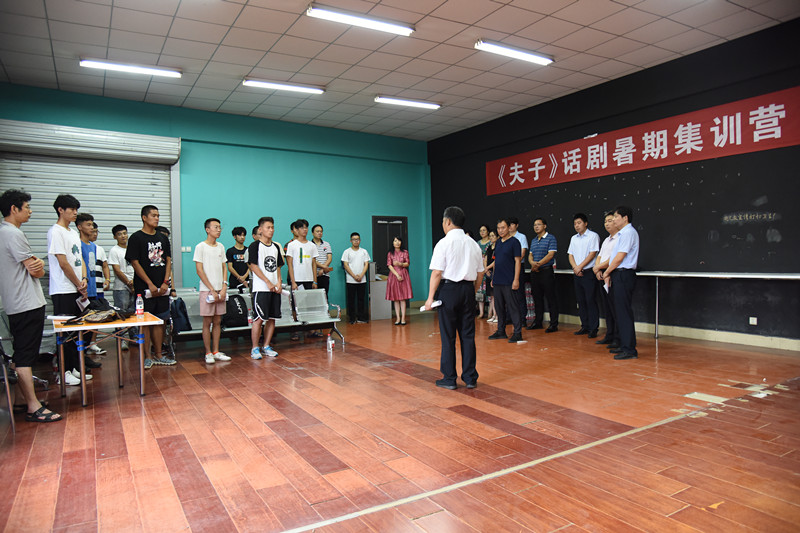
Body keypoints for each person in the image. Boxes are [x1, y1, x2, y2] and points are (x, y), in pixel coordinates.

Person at [0, 189, 62, 422]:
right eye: (26, 207)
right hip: (26, 302)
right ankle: (33, 407)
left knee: (20, 353)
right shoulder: (13, 233)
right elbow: (36, 269)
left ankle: (20, 400)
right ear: (13, 209)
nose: (30, 211)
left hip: (16, 302)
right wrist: (38, 264)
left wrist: (37, 263)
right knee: (26, 355)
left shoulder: (3, 232)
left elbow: (35, 265)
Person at [425, 206, 484, 390]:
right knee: (468, 335)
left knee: (448, 336)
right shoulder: (473, 244)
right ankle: (470, 378)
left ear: (448, 221)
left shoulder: (443, 243)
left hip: (449, 290)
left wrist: (430, 298)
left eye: (443, 221)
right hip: (468, 290)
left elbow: (437, 273)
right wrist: (472, 290)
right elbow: (480, 273)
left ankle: (449, 378)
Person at [47, 193, 91, 385]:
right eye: (72, 209)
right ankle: (63, 373)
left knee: (76, 332)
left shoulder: (73, 232)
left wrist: (83, 279)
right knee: (64, 333)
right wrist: (77, 283)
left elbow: (79, 259)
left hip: (76, 288)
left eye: (76, 210)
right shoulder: (55, 232)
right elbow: (63, 263)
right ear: (60, 210)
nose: (75, 213)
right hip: (63, 289)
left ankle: (74, 369)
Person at [126, 205, 176, 368]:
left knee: (160, 321)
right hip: (144, 289)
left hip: (162, 288)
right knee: (145, 322)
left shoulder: (162, 238)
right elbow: (135, 262)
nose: (157, 218)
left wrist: (165, 282)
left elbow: (168, 260)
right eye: (153, 215)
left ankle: (159, 354)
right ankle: (147, 356)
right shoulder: (136, 238)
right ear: (144, 217)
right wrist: (149, 283)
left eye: (158, 215)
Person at [602, 206, 640, 360]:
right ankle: (624, 345)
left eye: (616, 217)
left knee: (624, 312)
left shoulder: (628, 232)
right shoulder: (622, 234)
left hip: (624, 274)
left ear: (625, 218)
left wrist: (607, 272)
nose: (614, 220)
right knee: (619, 312)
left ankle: (629, 349)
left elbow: (619, 257)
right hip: (618, 274)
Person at [194, 218, 232, 364]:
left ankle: (216, 351)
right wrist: (211, 289)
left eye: (220, 227)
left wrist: (224, 286)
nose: (219, 230)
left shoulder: (220, 246)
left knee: (218, 321)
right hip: (207, 290)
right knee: (207, 322)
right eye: (216, 227)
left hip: (220, 289)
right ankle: (208, 352)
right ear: (207, 229)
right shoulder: (200, 247)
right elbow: (199, 270)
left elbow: (224, 267)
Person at [248, 216, 283, 359]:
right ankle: (255, 348)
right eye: (268, 227)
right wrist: (267, 282)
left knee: (272, 318)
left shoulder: (275, 247)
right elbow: (253, 266)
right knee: (259, 319)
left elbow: (278, 267)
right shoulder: (255, 246)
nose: (271, 230)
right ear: (260, 229)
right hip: (261, 289)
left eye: (272, 227)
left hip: (274, 289)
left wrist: (279, 282)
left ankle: (266, 346)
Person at [76, 213, 107, 358]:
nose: (91, 228)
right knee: (81, 325)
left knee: (93, 322)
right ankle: (79, 356)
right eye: (88, 225)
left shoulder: (94, 246)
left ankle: (88, 351)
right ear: (79, 227)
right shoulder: (77, 244)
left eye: (92, 225)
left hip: (95, 290)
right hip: (83, 291)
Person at [489, 218, 523, 343]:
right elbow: (496, 261)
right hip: (498, 280)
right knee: (499, 307)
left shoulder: (515, 242)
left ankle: (517, 332)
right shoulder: (498, 242)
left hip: (509, 280)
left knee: (513, 307)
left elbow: (517, 261)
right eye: (498, 228)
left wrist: (516, 279)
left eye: (503, 228)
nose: (501, 230)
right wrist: (493, 278)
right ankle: (501, 331)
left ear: (509, 228)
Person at [568, 213, 600, 338]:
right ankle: (584, 326)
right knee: (580, 300)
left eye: (579, 223)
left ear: (585, 223)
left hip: (589, 272)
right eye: (575, 223)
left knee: (590, 300)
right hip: (577, 272)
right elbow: (570, 254)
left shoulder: (593, 236)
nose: (577, 225)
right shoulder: (573, 238)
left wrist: (580, 267)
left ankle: (593, 328)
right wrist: (575, 268)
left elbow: (592, 254)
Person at [286, 219, 319, 340]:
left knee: (308, 305)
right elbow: (289, 264)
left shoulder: (312, 245)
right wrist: (293, 281)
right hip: (297, 280)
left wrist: (315, 280)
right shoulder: (292, 245)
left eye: (306, 227)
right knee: (295, 305)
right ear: (296, 230)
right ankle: (294, 330)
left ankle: (309, 328)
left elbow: (314, 264)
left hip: (309, 279)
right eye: (302, 227)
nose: (304, 230)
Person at [527, 217, 559, 332]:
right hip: (535, 272)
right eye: (535, 225)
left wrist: (538, 264)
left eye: (539, 224)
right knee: (537, 298)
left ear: (544, 226)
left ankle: (553, 324)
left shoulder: (551, 238)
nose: (536, 227)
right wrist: (532, 263)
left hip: (546, 271)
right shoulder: (534, 240)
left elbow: (550, 254)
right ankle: (538, 322)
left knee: (551, 298)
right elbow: (530, 255)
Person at [593, 212, 620, 347]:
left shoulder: (620, 238)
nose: (607, 224)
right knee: (607, 308)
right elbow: (599, 256)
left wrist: (598, 267)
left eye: (610, 220)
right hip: (603, 274)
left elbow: (613, 259)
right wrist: (598, 269)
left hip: (613, 274)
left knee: (615, 308)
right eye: (605, 222)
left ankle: (617, 337)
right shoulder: (606, 240)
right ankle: (609, 335)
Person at [108, 223, 136, 350]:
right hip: (121, 288)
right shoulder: (114, 250)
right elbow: (117, 270)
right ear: (115, 237)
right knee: (121, 314)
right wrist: (129, 282)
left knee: (134, 313)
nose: (123, 236)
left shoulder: (132, 248)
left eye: (125, 233)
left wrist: (134, 283)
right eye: (119, 234)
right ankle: (122, 340)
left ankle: (134, 337)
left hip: (134, 286)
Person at [341, 232, 370, 324]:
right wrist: (354, 276)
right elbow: (345, 265)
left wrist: (361, 275)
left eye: (357, 239)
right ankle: (352, 318)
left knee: (361, 299)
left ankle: (361, 317)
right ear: (351, 241)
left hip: (362, 279)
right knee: (351, 300)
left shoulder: (364, 251)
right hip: (350, 280)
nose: (356, 241)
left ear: (360, 240)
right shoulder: (347, 252)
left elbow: (366, 264)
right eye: (354, 239)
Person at [508, 216, 529, 328]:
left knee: (520, 293)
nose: (510, 226)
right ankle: (509, 317)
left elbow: (522, 253)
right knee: (508, 293)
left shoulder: (521, 237)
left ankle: (522, 318)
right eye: (509, 224)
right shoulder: (505, 237)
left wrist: (514, 263)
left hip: (518, 266)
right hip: (508, 268)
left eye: (512, 224)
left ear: (516, 225)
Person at [386, 236, 412, 325]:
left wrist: (400, 264)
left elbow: (407, 263)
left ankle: (403, 318)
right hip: (394, 276)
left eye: (399, 241)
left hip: (404, 275)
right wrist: (397, 275)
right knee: (396, 299)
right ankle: (398, 318)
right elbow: (389, 265)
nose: (397, 243)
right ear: (392, 243)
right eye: (395, 241)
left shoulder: (405, 252)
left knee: (403, 298)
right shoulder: (390, 253)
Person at [226, 226, 249, 291]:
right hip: (234, 282)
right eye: (240, 235)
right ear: (234, 236)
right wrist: (239, 277)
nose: (242, 237)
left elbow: (251, 266)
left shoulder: (248, 250)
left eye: (244, 235)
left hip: (247, 281)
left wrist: (244, 277)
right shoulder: (230, 251)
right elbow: (230, 267)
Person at [476, 224, 491, 318]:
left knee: (490, 293)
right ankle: (481, 312)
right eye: (481, 230)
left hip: (488, 269)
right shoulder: (477, 243)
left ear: (488, 231)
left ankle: (490, 313)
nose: (482, 232)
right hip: (480, 270)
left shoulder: (491, 243)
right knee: (480, 292)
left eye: (484, 230)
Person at [484, 229, 498, 323]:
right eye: (490, 236)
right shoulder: (489, 247)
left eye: (493, 236)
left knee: (497, 296)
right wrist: (486, 269)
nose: (491, 237)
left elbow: (496, 260)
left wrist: (488, 267)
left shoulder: (498, 247)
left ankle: (497, 316)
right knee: (492, 296)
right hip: (488, 272)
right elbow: (485, 259)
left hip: (495, 272)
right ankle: (493, 315)